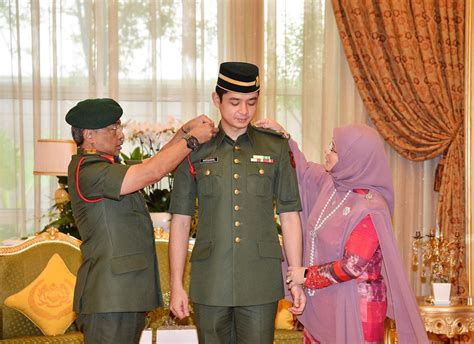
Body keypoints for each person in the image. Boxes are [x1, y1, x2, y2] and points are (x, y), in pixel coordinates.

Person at [255, 119, 429, 343]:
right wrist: (285, 137)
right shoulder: (332, 184)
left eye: (334, 149)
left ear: (353, 159)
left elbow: (352, 264)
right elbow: (304, 171)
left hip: (358, 310)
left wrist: (305, 275)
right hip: (326, 303)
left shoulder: (371, 207)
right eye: (330, 144)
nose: (326, 151)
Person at [168, 62, 306, 343]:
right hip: (210, 279)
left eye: (251, 102)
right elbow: (180, 222)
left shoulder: (275, 147)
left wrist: (296, 278)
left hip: (260, 279)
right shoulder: (194, 150)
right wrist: (176, 284)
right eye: (234, 102)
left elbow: (290, 216)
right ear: (216, 99)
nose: (243, 111)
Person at [65, 98, 218, 344]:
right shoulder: (89, 170)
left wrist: (184, 131)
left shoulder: (110, 167)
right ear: (89, 136)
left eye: (120, 127)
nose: (121, 135)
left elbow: (155, 162)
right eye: (113, 129)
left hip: (122, 297)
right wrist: (192, 141)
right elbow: (151, 172)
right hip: (109, 300)